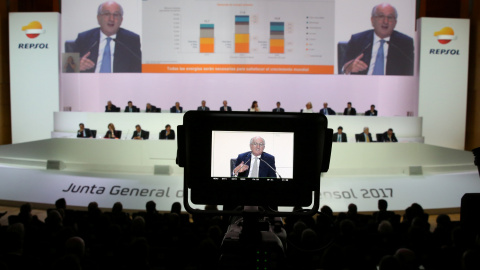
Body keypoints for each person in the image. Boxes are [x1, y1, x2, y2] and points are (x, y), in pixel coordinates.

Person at [342, 3, 413, 76]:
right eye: (381, 16)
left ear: (395, 23)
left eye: (390, 17)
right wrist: (348, 68)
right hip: (362, 84)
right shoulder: (357, 40)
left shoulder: (405, 43)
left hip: (392, 85)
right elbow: (343, 69)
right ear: (372, 20)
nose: (385, 21)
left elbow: (411, 73)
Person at [74, 1, 141, 73]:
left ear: (121, 20)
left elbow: (138, 69)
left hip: (120, 82)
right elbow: (66, 66)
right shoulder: (83, 38)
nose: (111, 19)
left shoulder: (131, 40)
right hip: (90, 82)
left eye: (116, 15)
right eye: (106, 14)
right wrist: (76, 65)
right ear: (98, 18)